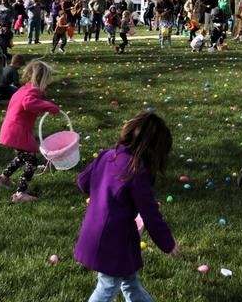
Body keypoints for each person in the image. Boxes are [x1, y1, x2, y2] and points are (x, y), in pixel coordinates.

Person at [74, 111, 180, 301]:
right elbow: (150, 214)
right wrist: (167, 243)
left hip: (98, 234)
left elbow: (83, 182)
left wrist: (103, 195)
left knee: (129, 281)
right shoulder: (137, 171)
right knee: (106, 288)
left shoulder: (107, 155)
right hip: (112, 243)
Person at [0, 60, 60, 202]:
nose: (47, 85)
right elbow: (28, 103)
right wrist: (48, 106)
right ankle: (20, 194)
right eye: (47, 82)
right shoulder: (32, 91)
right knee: (32, 162)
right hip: (18, 131)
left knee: (22, 157)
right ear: (41, 79)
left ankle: (3, 179)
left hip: (12, 129)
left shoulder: (24, 89)